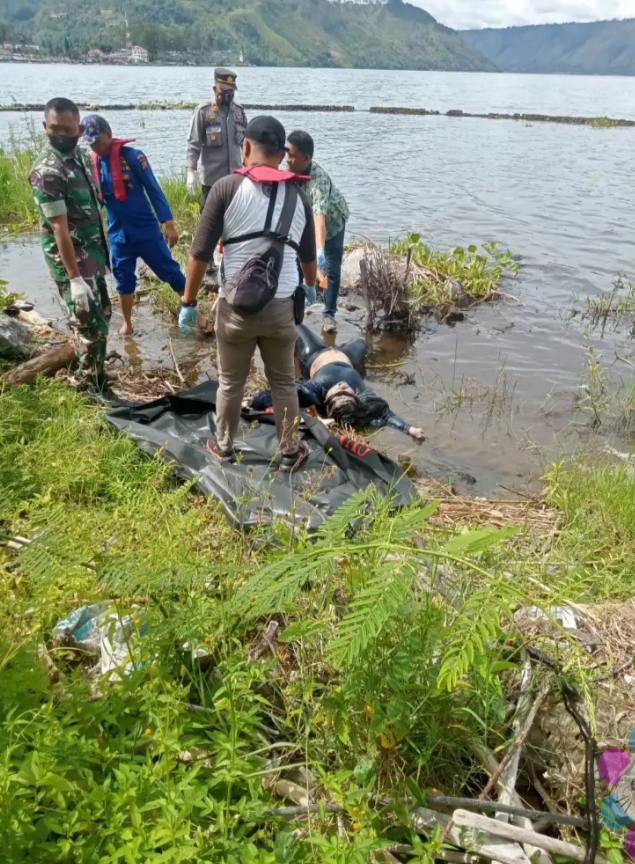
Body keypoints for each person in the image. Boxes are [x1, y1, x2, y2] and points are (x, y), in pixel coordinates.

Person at [178, 116, 318, 472]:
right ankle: (289, 451)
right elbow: (308, 259)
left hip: (235, 310)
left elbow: (199, 255)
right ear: (282, 154)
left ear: (245, 147)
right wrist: (312, 287)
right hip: (282, 309)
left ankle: (224, 447)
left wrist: (188, 302)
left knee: (230, 381)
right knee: (284, 382)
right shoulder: (299, 197)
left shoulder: (226, 188)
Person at [30, 97, 111, 385]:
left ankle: (98, 373)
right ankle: (89, 385)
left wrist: (103, 258)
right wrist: (74, 279)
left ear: (79, 128)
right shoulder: (48, 171)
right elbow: (59, 229)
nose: (62, 135)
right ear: (45, 127)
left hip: (92, 254)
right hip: (71, 261)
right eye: (55, 129)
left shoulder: (81, 158)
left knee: (102, 315)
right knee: (89, 326)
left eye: (67, 129)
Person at [81, 113, 185, 335]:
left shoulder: (133, 157)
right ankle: (127, 323)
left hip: (145, 229)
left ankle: (194, 312)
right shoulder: (93, 163)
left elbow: (153, 189)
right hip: (119, 234)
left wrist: (168, 222)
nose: (95, 147)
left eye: (97, 141)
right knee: (123, 279)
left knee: (169, 271)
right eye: (91, 143)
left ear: (108, 135)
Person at [251, 325, 426, 442]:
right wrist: (409, 429)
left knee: (295, 325)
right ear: (354, 397)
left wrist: (255, 400)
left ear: (327, 397)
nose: (342, 386)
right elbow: (386, 415)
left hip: (313, 354)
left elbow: (278, 395)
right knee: (363, 342)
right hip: (346, 357)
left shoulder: (316, 390)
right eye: (346, 390)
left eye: (338, 391)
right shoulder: (362, 394)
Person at [186, 68, 247, 279]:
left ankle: (232, 258)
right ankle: (207, 259)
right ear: (215, 88)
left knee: (236, 220)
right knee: (209, 220)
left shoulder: (239, 112)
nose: (229, 95)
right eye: (224, 91)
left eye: (232, 91)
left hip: (236, 179)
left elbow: (247, 145)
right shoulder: (203, 112)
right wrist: (190, 172)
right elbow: (193, 145)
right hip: (212, 180)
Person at [286, 130, 349, 334]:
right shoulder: (290, 172)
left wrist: (319, 249)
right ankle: (296, 309)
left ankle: (329, 314)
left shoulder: (317, 179)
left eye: (293, 155)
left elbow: (320, 216)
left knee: (331, 269)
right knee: (296, 264)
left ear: (306, 158)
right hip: (306, 225)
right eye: (287, 153)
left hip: (333, 225)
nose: (288, 159)